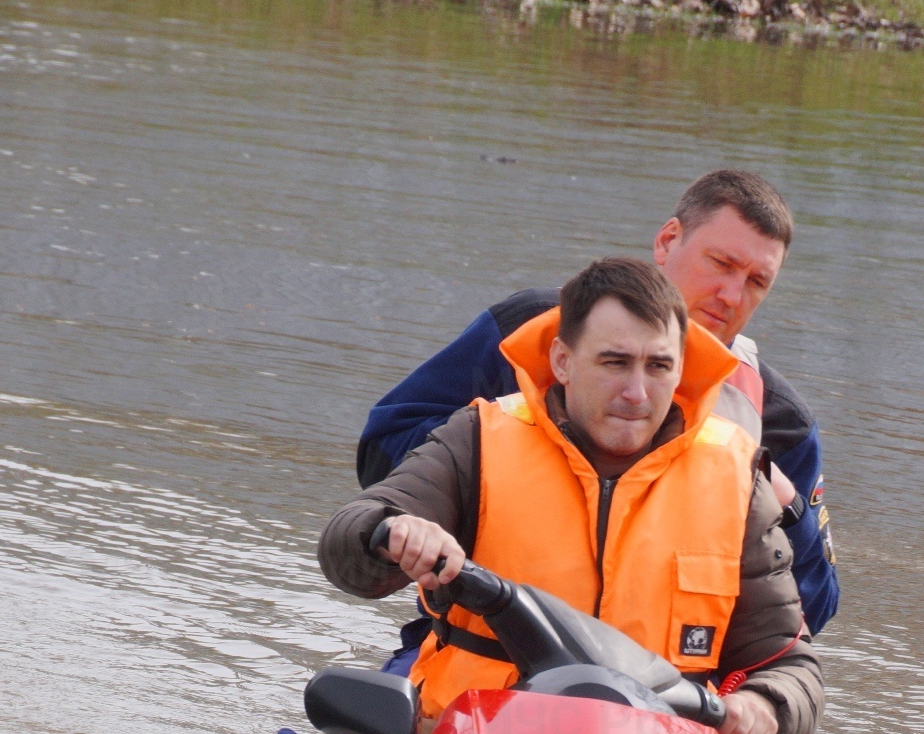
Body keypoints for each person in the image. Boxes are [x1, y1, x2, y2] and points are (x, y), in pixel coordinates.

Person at [276, 256, 831, 734]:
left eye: (659, 365)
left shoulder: (736, 481)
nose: (638, 391)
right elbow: (351, 534)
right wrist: (396, 534)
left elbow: (793, 663)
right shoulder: (479, 440)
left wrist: (768, 704)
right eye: (614, 363)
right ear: (564, 361)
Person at [358, 169, 837, 640]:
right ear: (668, 241)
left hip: (662, 686)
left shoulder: (780, 424)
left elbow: (812, 610)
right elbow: (381, 450)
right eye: (721, 264)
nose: (732, 295)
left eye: (757, 281)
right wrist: (485, 473)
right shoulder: (531, 333)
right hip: (488, 640)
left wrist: (787, 508)